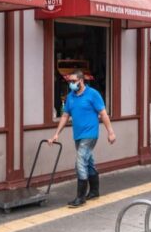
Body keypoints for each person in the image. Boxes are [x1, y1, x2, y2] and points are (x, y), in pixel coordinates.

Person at [48, 70, 116, 208]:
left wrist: (111, 132)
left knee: (80, 162)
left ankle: (80, 197)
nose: (71, 84)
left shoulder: (93, 94)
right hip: (78, 135)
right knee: (88, 161)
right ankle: (95, 191)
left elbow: (103, 114)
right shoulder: (70, 97)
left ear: (81, 80)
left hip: (90, 135)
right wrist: (56, 133)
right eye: (70, 82)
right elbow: (65, 116)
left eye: (73, 81)